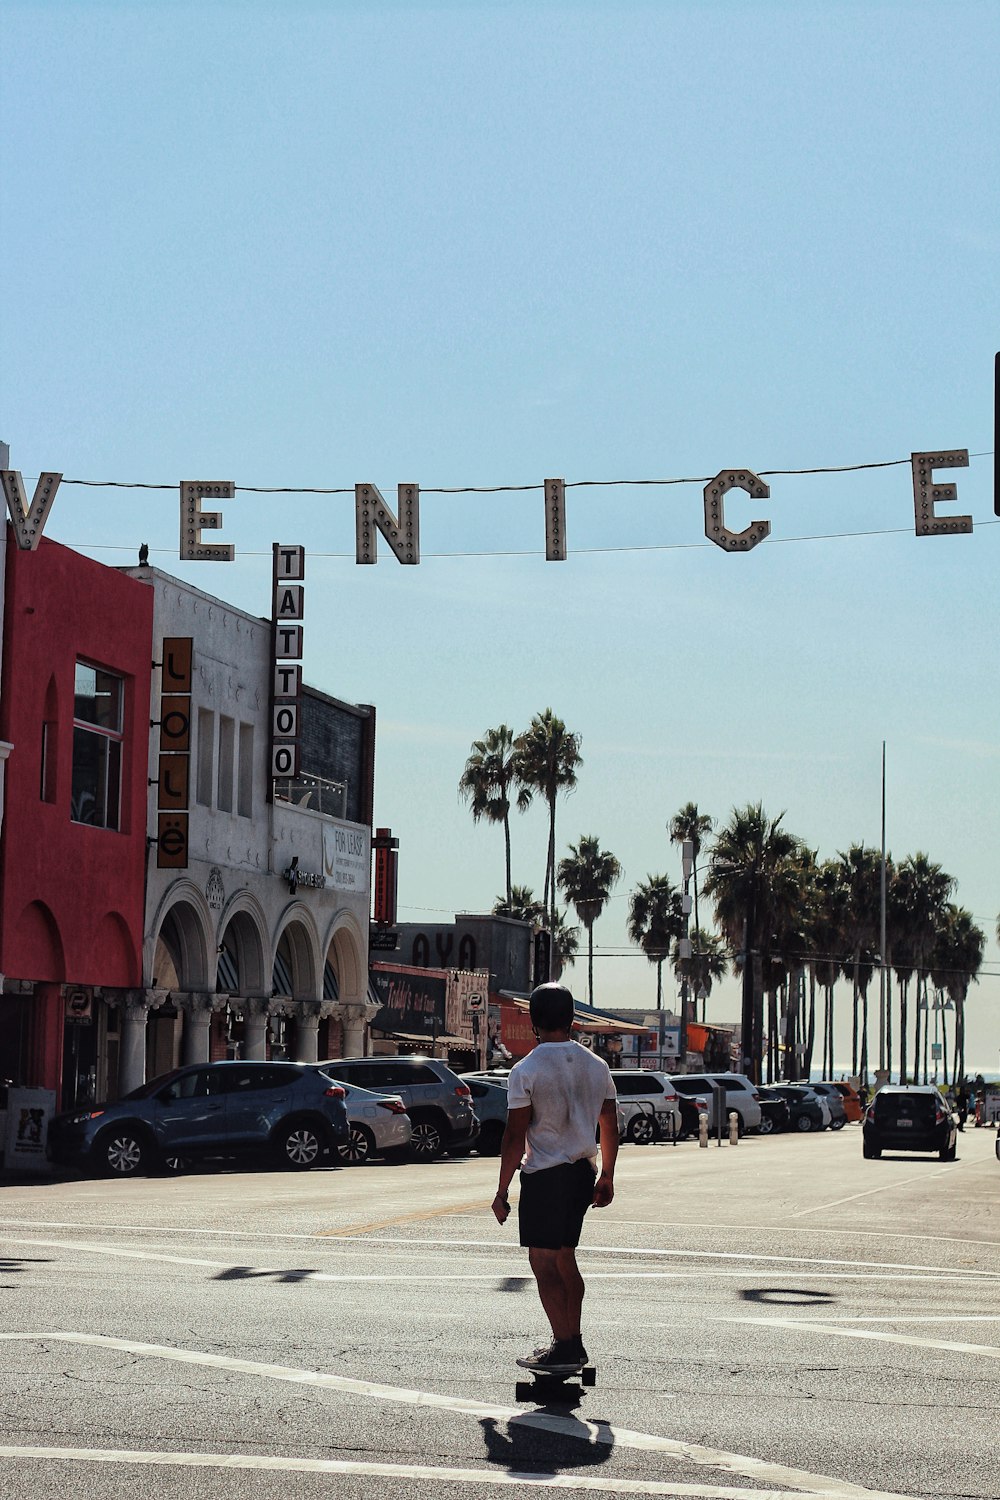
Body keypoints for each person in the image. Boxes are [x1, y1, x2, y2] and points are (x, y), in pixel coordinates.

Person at [491, 982, 618, 1374]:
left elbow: (515, 1135)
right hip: (582, 1173)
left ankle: (564, 1346)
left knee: (543, 1262)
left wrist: (501, 1190)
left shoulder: (525, 1069)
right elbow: (610, 1124)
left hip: (545, 1176)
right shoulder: (597, 1066)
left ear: (533, 1021)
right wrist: (607, 1176)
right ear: (572, 1019)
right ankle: (572, 1342)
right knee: (565, 1257)